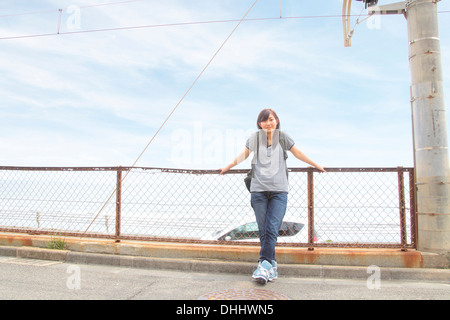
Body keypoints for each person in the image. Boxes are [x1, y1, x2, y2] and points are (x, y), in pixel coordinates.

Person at [219, 108, 326, 284]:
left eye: (271, 119)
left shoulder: (283, 137)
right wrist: (227, 167)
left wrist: (316, 165)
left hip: (279, 191)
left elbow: (297, 153)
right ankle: (272, 267)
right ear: (259, 123)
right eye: (264, 120)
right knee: (264, 231)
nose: (268, 123)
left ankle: (263, 265)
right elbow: (243, 155)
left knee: (272, 228)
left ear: (276, 120)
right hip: (258, 190)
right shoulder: (254, 138)